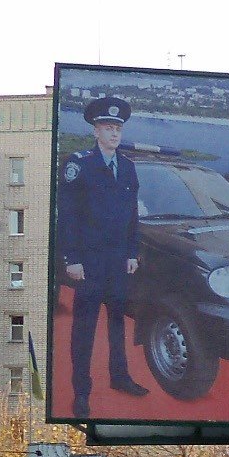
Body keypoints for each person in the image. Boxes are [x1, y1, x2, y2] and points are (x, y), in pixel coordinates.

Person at [57, 97, 149, 415]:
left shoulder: (127, 167)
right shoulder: (79, 164)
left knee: (116, 325)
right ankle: (81, 391)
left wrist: (133, 252)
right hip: (89, 263)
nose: (114, 133)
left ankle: (120, 377)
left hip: (118, 263)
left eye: (118, 128)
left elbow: (131, 216)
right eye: (108, 127)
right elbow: (67, 215)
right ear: (96, 131)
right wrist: (71, 259)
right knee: (84, 329)